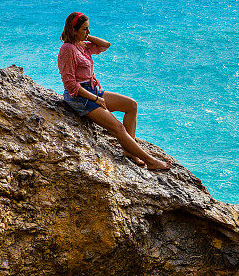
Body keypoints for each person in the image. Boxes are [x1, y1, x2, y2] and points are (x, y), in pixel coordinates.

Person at [57, 12, 171, 171]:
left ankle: (129, 151)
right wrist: (96, 99)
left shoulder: (82, 45)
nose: (88, 32)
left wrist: (86, 37)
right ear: (74, 30)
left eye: (88, 29)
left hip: (92, 90)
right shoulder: (67, 50)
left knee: (131, 105)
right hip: (79, 98)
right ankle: (150, 161)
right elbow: (70, 85)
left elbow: (105, 45)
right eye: (84, 29)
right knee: (117, 127)